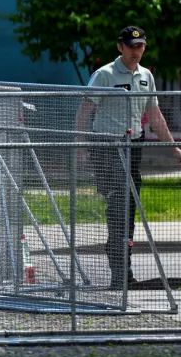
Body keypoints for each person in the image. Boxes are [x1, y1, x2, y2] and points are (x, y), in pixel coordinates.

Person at [74, 26, 181, 287]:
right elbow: (85, 110)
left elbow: (154, 115)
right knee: (119, 203)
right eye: (131, 46)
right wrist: (80, 147)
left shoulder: (146, 76)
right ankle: (119, 273)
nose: (136, 51)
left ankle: (125, 273)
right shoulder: (104, 74)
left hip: (133, 145)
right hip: (108, 145)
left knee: (129, 205)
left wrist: (173, 149)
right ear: (120, 47)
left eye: (140, 46)